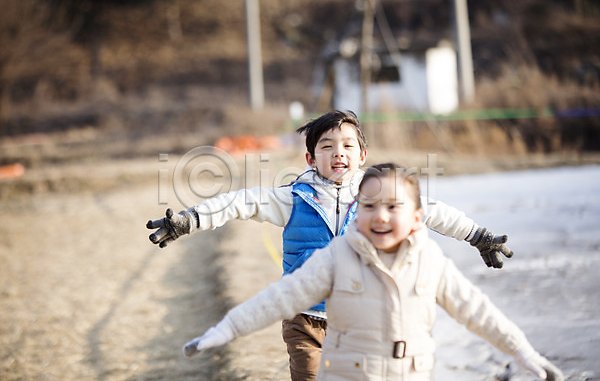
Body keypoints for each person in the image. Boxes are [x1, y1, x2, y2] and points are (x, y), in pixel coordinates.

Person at [147, 110, 513, 380]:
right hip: (305, 320)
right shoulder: (292, 198)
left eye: (348, 146)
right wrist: (188, 220)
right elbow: (238, 202)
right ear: (310, 158)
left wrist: (477, 236)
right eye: (327, 146)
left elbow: (430, 211)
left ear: (362, 156)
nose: (339, 152)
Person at [182, 163, 563, 381]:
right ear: (357, 212)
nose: (380, 216)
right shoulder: (336, 257)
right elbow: (276, 300)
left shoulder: (429, 261)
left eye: (392, 207)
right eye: (368, 207)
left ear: (417, 218)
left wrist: (521, 351)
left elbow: (477, 311)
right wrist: (225, 331)